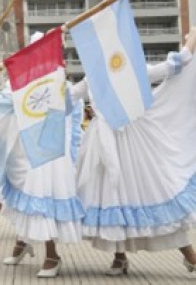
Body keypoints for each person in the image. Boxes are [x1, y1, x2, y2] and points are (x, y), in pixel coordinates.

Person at [76, 28, 196, 276]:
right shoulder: (92, 76)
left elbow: (175, 64)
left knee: (151, 190)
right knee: (112, 196)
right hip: (103, 142)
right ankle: (120, 258)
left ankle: (190, 255)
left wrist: (192, 38)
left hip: (134, 141)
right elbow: (67, 94)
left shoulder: (129, 69)